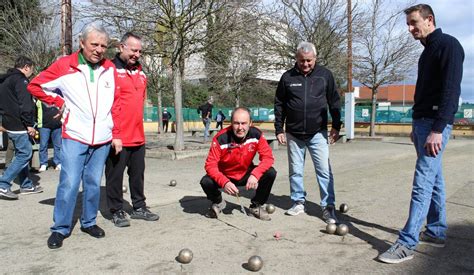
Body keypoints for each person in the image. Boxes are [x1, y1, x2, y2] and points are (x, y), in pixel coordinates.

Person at [378, 4, 464, 264]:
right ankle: (436, 230)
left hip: (435, 125)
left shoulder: (449, 45)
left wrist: (437, 129)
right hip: (422, 124)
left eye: (414, 22)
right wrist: (416, 127)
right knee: (434, 178)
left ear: (430, 20)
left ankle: (407, 243)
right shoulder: (426, 52)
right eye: (408, 24)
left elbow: (451, 91)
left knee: (422, 182)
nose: (410, 28)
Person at [28, 23, 122, 249]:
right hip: (74, 135)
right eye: (94, 44)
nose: (99, 50)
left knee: (92, 182)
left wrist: (115, 133)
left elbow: (116, 104)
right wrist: (58, 102)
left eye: (103, 46)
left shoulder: (109, 68)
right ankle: (60, 228)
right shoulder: (64, 65)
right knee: (69, 183)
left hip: (102, 138)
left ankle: (89, 222)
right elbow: (35, 85)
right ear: (82, 43)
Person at [274, 41, 342, 224]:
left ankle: (328, 207)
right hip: (294, 133)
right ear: (296, 59)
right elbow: (279, 103)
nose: (305, 64)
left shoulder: (325, 75)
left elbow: (334, 102)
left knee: (324, 171)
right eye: (302, 60)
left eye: (309, 61)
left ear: (315, 59)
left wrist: (337, 126)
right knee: (295, 170)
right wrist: (279, 128)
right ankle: (298, 201)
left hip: (318, 133)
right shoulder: (287, 77)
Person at [105, 32, 159, 228]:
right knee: (115, 176)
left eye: (139, 51)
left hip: (138, 136)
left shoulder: (142, 72)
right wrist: (114, 134)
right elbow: (107, 104)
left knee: (137, 174)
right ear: (121, 47)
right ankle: (116, 210)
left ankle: (139, 207)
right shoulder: (109, 69)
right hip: (117, 136)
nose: (137, 54)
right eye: (133, 50)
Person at [200, 107, 277, 221]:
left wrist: (255, 175)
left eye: (244, 123)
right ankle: (218, 202)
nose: (240, 127)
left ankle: (256, 206)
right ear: (231, 123)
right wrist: (224, 182)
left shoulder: (256, 134)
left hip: (245, 173)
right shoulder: (220, 138)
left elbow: (268, 158)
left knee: (270, 172)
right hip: (225, 175)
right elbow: (210, 165)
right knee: (205, 181)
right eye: (236, 123)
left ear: (250, 123)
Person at [0, 56, 43, 200]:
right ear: (26, 67)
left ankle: (26, 184)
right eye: (31, 69)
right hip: (20, 124)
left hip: (9, 122)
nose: (31, 72)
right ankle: (3, 183)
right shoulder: (21, 80)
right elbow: (26, 104)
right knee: (25, 153)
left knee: (20, 153)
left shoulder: (5, 80)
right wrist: (29, 124)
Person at [36, 94, 62, 172]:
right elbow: (34, 110)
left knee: (58, 145)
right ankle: (43, 163)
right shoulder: (39, 97)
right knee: (43, 145)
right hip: (44, 125)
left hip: (57, 124)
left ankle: (58, 163)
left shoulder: (57, 96)